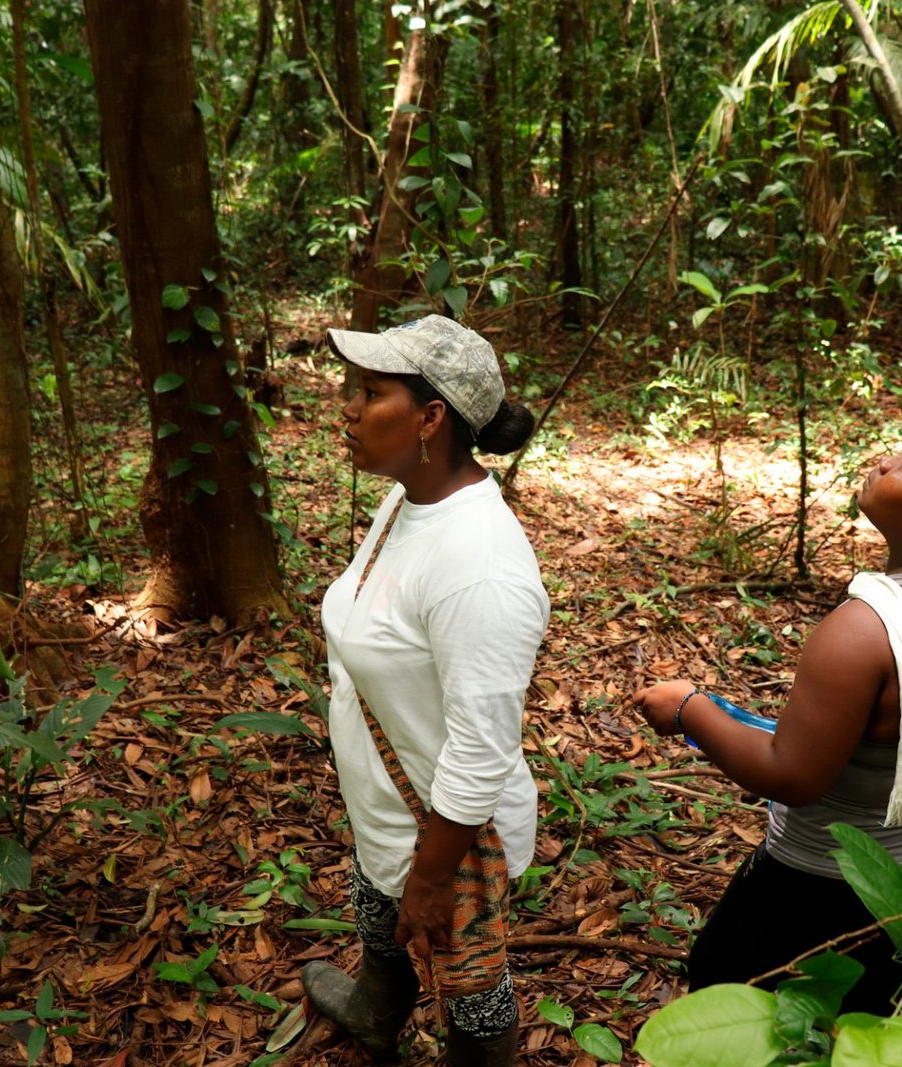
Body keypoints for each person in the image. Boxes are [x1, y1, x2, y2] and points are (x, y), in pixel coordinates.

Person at [633, 416, 902, 1013]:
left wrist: (689, 709)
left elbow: (792, 776)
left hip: (831, 882)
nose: (887, 461)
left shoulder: (865, 631)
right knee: (866, 1012)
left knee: (726, 989)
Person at [306, 315, 548, 1065]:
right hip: (390, 801)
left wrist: (433, 876)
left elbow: (481, 750)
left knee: (473, 993)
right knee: (377, 909)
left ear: (431, 418)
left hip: (449, 834)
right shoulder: (409, 496)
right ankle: (378, 1008)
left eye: (370, 392)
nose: (347, 407)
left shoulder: (482, 565)